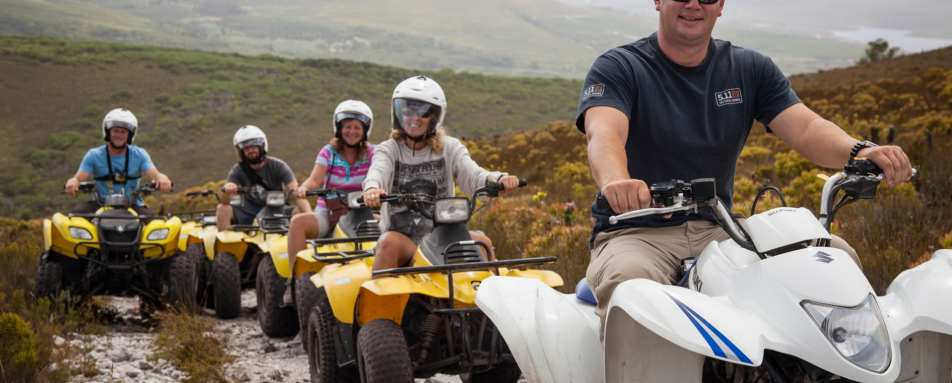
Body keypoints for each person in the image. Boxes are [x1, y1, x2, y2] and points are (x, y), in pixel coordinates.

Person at [577, 0, 914, 320]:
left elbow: (806, 128)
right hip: (636, 232)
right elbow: (604, 133)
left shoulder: (748, 68)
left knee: (832, 257)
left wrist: (860, 151)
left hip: (720, 229)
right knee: (631, 286)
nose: (694, 5)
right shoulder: (620, 66)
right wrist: (615, 181)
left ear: (721, 6)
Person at [362, 75, 521, 271]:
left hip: (443, 237)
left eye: (423, 112)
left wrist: (498, 179)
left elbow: (474, 175)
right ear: (398, 114)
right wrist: (372, 189)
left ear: (434, 117)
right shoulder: (389, 149)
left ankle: (490, 290)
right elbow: (377, 172)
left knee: (483, 242)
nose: (414, 118)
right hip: (404, 240)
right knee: (388, 243)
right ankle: (380, 291)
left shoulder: (450, 147)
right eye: (408, 111)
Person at [284, 100, 375, 302]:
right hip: (329, 212)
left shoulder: (373, 153)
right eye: (347, 126)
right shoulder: (328, 152)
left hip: (363, 213)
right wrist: (304, 188)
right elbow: (315, 179)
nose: (352, 131)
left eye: (357, 127)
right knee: (298, 223)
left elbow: (382, 174)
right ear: (339, 128)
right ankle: (294, 282)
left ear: (365, 130)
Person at [64, 108, 172, 214]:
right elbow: (78, 178)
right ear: (108, 132)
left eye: (123, 132)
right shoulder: (93, 155)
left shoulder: (139, 154)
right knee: (76, 217)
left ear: (130, 135)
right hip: (100, 204)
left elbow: (155, 174)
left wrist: (162, 178)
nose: (119, 135)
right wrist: (74, 181)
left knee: (155, 223)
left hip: (133, 205)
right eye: (115, 131)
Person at [216, 125, 310, 230]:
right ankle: (224, 240)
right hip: (246, 213)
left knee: (299, 211)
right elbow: (225, 201)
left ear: (262, 146)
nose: (250, 150)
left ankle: (303, 237)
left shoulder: (278, 166)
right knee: (222, 208)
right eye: (246, 148)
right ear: (241, 152)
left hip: (275, 211)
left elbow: (296, 192)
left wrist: (310, 215)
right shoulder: (237, 170)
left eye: (253, 146)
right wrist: (228, 191)